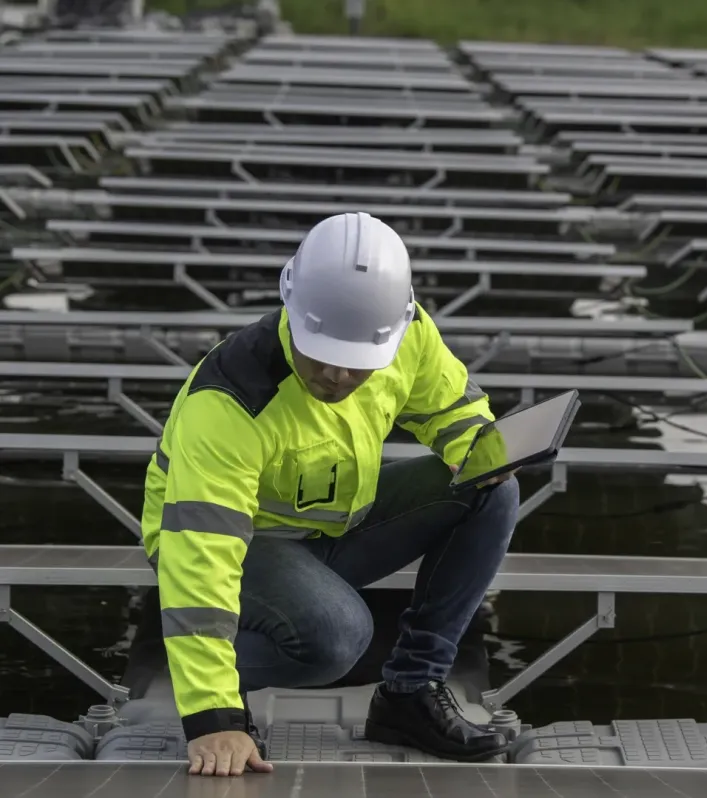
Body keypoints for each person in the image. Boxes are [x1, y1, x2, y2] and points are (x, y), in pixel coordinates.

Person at [139, 211, 521, 778]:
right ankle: (210, 672)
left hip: (333, 523)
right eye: (321, 355)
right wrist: (212, 714)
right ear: (291, 311)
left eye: (357, 364)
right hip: (239, 544)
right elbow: (202, 557)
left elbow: (451, 404)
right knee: (338, 637)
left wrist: (475, 448)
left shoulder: (406, 333)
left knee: (492, 489)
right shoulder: (230, 401)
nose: (338, 376)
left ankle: (410, 694)